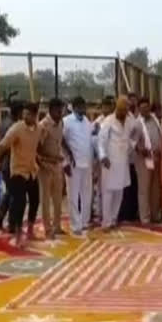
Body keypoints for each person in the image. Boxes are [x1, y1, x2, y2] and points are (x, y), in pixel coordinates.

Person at [0, 101, 42, 248]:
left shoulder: (39, 129)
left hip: (32, 170)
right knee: (19, 203)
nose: (25, 116)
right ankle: (18, 235)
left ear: (35, 116)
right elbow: (2, 145)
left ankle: (30, 230)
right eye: (24, 113)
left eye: (29, 114)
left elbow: (38, 145)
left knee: (35, 200)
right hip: (18, 171)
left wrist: (43, 158)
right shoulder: (16, 128)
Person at [99, 97, 137, 230]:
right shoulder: (108, 121)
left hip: (123, 161)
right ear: (117, 108)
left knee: (119, 191)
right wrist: (103, 156)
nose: (123, 113)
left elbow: (133, 134)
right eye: (121, 110)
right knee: (108, 191)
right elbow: (101, 140)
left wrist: (132, 146)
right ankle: (106, 222)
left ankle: (114, 219)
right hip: (110, 161)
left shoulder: (129, 121)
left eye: (126, 110)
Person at [37, 98, 69, 240]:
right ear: (50, 110)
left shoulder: (61, 123)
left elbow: (61, 140)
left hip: (57, 164)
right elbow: (37, 148)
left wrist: (68, 155)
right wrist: (45, 161)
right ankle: (47, 228)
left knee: (58, 197)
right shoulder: (43, 126)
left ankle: (57, 226)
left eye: (61, 110)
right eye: (58, 110)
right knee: (45, 199)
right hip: (45, 166)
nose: (60, 113)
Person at [63, 96, 94, 236]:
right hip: (73, 164)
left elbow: (90, 140)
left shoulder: (87, 121)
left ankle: (85, 222)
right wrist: (65, 162)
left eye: (84, 106)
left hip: (87, 163)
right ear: (74, 107)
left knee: (87, 194)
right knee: (73, 195)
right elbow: (61, 142)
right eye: (80, 106)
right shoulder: (67, 121)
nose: (83, 108)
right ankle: (75, 225)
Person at [0, 101, 23, 232]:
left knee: (10, 193)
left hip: (7, 162)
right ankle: (11, 224)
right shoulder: (14, 125)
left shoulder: (5, 121)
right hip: (11, 162)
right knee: (14, 195)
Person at [134, 97, 162, 225]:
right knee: (144, 189)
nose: (145, 110)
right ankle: (145, 218)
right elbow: (131, 142)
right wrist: (141, 150)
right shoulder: (137, 123)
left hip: (156, 158)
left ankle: (156, 215)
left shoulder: (155, 120)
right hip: (144, 160)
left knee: (156, 188)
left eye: (147, 107)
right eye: (142, 108)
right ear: (139, 109)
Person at [91, 96, 115, 224]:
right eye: (106, 106)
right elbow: (94, 141)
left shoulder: (115, 120)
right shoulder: (97, 122)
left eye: (110, 105)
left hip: (114, 159)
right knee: (101, 188)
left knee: (113, 188)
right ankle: (101, 214)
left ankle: (111, 216)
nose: (108, 108)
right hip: (101, 160)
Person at [118, 92, 140, 223]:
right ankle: (122, 214)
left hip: (132, 159)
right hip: (120, 159)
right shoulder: (118, 118)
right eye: (128, 102)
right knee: (122, 188)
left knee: (132, 187)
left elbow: (134, 138)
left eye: (133, 102)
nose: (131, 104)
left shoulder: (134, 119)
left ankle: (131, 213)